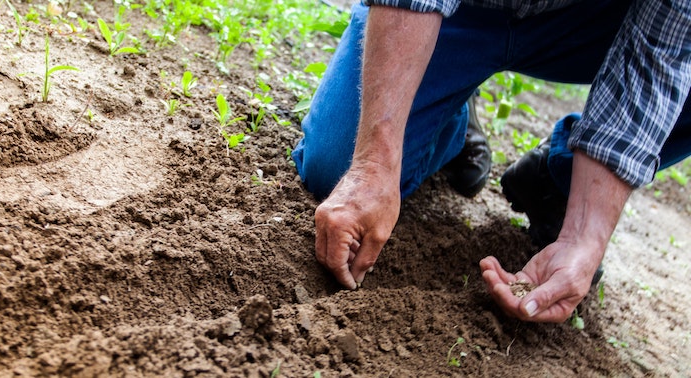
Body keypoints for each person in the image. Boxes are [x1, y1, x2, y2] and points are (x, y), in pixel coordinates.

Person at [291, 0, 691, 323]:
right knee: (336, 167)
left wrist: (583, 237)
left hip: (590, 21)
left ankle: (561, 181)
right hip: (460, 11)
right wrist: (373, 165)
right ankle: (451, 118)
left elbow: (661, 55)